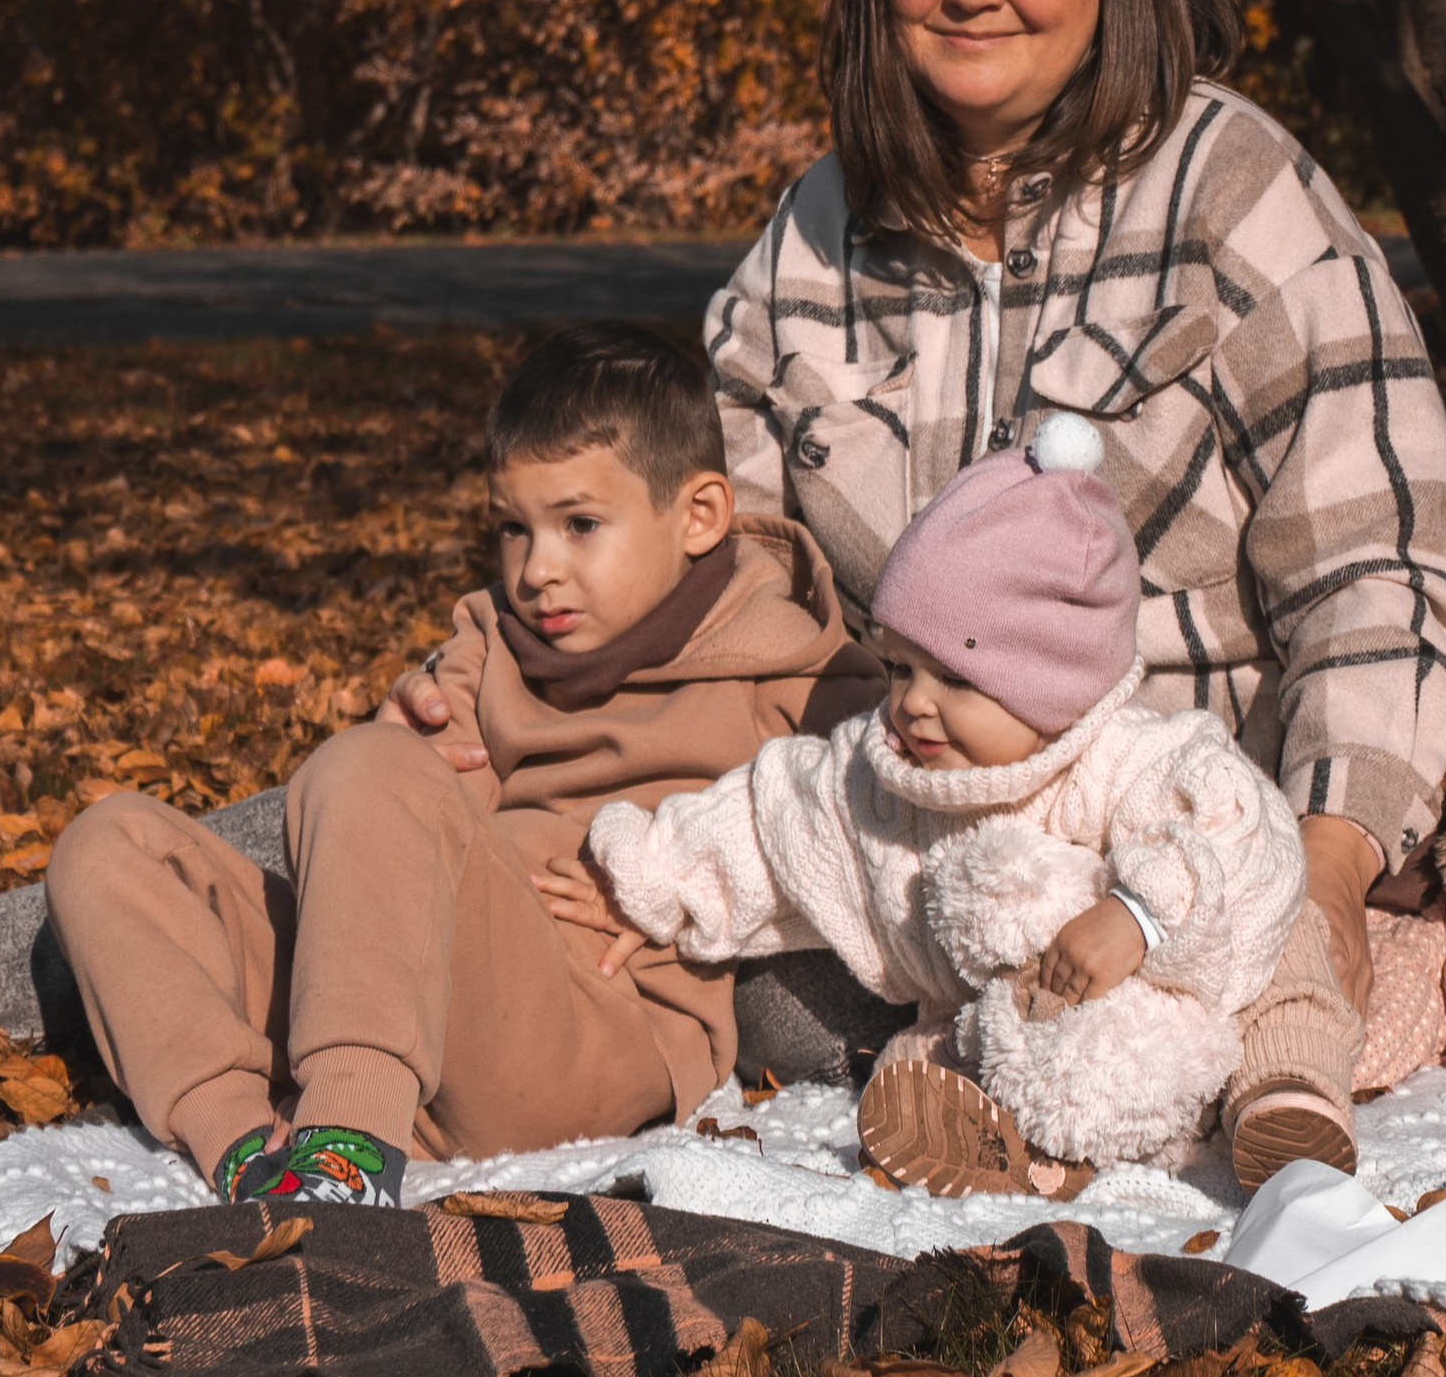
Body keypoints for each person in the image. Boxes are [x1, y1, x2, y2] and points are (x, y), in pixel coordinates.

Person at [430, 0, 1446, 1185]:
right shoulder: (817, 235)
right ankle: (71, 953)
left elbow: (1387, 576)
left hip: (1161, 845)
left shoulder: (1234, 195)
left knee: (560, 936)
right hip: (894, 831)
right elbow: (700, 561)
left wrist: (1333, 859)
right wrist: (495, 682)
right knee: (424, 821)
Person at [42, 324, 873, 1202]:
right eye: (513, 529)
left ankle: (348, 1155)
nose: (537, 570)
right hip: (423, 1009)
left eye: (580, 525)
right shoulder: (493, 646)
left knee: (365, 765)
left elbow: (879, 824)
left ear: (698, 516)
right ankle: (250, 1147)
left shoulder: (786, 664)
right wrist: (396, 771)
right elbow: (405, 824)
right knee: (107, 844)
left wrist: (694, 882)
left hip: (596, 1028)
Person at [554, 419, 1310, 1192]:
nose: (912, 704)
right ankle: (970, 1126)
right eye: (898, 667)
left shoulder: (1131, 758)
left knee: (1131, 1043)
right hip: (974, 1020)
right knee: (870, 1039)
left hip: (1120, 995)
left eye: (952, 679)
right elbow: (770, 817)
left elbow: (1237, 835)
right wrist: (645, 879)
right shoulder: (880, 769)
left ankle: (1056, 1154)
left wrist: (1138, 918)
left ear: (1052, 682)